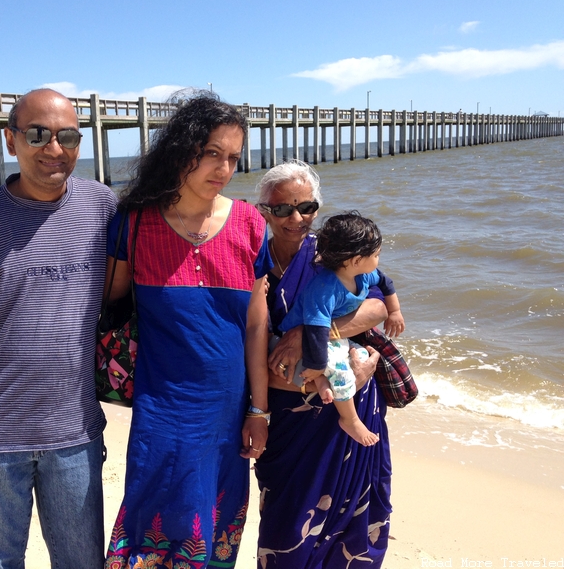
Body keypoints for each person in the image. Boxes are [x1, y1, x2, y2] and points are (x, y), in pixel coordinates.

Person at [0, 89, 117, 569]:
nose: (54, 148)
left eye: (68, 136)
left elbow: (135, 288)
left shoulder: (102, 207)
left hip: (74, 435)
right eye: (38, 134)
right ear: (11, 142)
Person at [103, 92, 272, 569]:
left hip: (228, 407)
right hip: (163, 405)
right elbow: (110, 306)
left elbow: (257, 326)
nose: (223, 168)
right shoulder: (133, 223)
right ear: (182, 150)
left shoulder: (250, 224)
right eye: (211, 153)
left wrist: (259, 409)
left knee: (216, 526)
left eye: (233, 158)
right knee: (154, 518)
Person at [253, 160, 393, 569]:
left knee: (354, 519)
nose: (296, 218)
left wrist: (312, 332)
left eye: (307, 207)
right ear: (264, 211)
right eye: (282, 209)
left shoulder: (331, 255)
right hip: (287, 415)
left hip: (347, 402)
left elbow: (378, 307)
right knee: (287, 522)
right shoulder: (252, 260)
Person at [278, 211, 405, 446]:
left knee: (361, 354)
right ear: (356, 260)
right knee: (341, 371)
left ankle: (324, 382)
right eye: (376, 254)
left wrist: (395, 311)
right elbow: (315, 330)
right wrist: (316, 366)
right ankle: (350, 419)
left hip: (330, 337)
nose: (379, 259)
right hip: (304, 338)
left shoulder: (363, 275)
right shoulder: (324, 289)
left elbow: (386, 283)